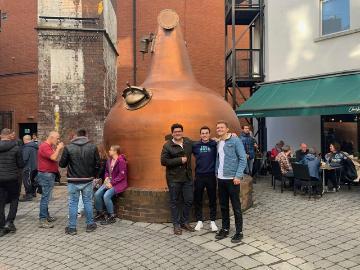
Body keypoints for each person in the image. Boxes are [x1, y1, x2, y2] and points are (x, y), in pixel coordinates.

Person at [59, 129, 99, 235]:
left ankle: (72, 228)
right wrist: (93, 175)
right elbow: (98, 164)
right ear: (86, 135)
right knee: (87, 202)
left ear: (76, 136)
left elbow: (62, 164)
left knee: (73, 203)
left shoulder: (68, 147)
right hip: (87, 179)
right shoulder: (93, 147)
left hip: (73, 180)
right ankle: (90, 225)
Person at [214, 120, 247, 243]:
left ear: (227, 129)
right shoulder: (219, 142)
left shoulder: (235, 140)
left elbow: (243, 158)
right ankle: (225, 228)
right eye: (218, 128)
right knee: (223, 206)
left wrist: (238, 176)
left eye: (222, 127)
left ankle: (239, 232)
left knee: (236, 207)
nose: (219, 129)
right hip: (221, 179)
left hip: (232, 180)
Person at [161, 123, 194, 235]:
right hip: (174, 178)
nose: (178, 133)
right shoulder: (167, 145)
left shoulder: (188, 142)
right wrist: (179, 160)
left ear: (182, 132)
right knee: (174, 202)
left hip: (187, 177)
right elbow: (163, 161)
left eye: (179, 131)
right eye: (175, 132)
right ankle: (176, 224)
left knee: (189, 200)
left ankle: (184, 221)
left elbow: (200, 144)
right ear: (172, 133)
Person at [192, 126, 218, 232]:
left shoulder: (214, 144)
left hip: (211, 175)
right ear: (200, 135)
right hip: (199, 175)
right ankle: (199, 221)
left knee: (212, 199)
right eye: (202, 133)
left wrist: (233, 135)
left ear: (209, 134)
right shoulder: (196, 146)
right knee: (198, 199)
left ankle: (212, 221)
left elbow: (224, 139)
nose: (204, 135)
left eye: (206, 133)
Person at [94, 145, 128, 225]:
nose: (109, 151)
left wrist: (112, 183)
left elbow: (122, 175)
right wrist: (106, 178)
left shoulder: (121, 161)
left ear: (115, 151)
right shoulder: (109, 160)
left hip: (119, 183)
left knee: (106, 195)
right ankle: (100, 213)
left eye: (111, 150)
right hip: (109, 181)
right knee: (97, 194)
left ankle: (111, 215)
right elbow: (106, 171)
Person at [0, 129, 24, 236]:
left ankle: (1, 225)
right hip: (13, 178)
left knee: (1, 202)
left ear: (1, 136)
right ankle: (9, 222)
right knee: (14, 200)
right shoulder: (16, 148)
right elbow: (21, 164)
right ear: (9, 136)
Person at [37, 131, 64, 229]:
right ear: (51, 137)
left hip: (48, 175)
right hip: (46, 175)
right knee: (46, 197)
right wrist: (58, 148)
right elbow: (53, 157)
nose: (58, 140)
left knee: (46, 196)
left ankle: (46, 216)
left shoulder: (48, 146)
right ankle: (42, 219)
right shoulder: (45, 146)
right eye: (57, 138)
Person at [20, 135, 38, 201]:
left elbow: (25, 158)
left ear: (25, 140)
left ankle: (28, 195)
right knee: (33, 180)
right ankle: (33, 193)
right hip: (35, 166)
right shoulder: (36, 146)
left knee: (27, 181)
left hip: (28, 167)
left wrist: (21, 165)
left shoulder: (26, 147)